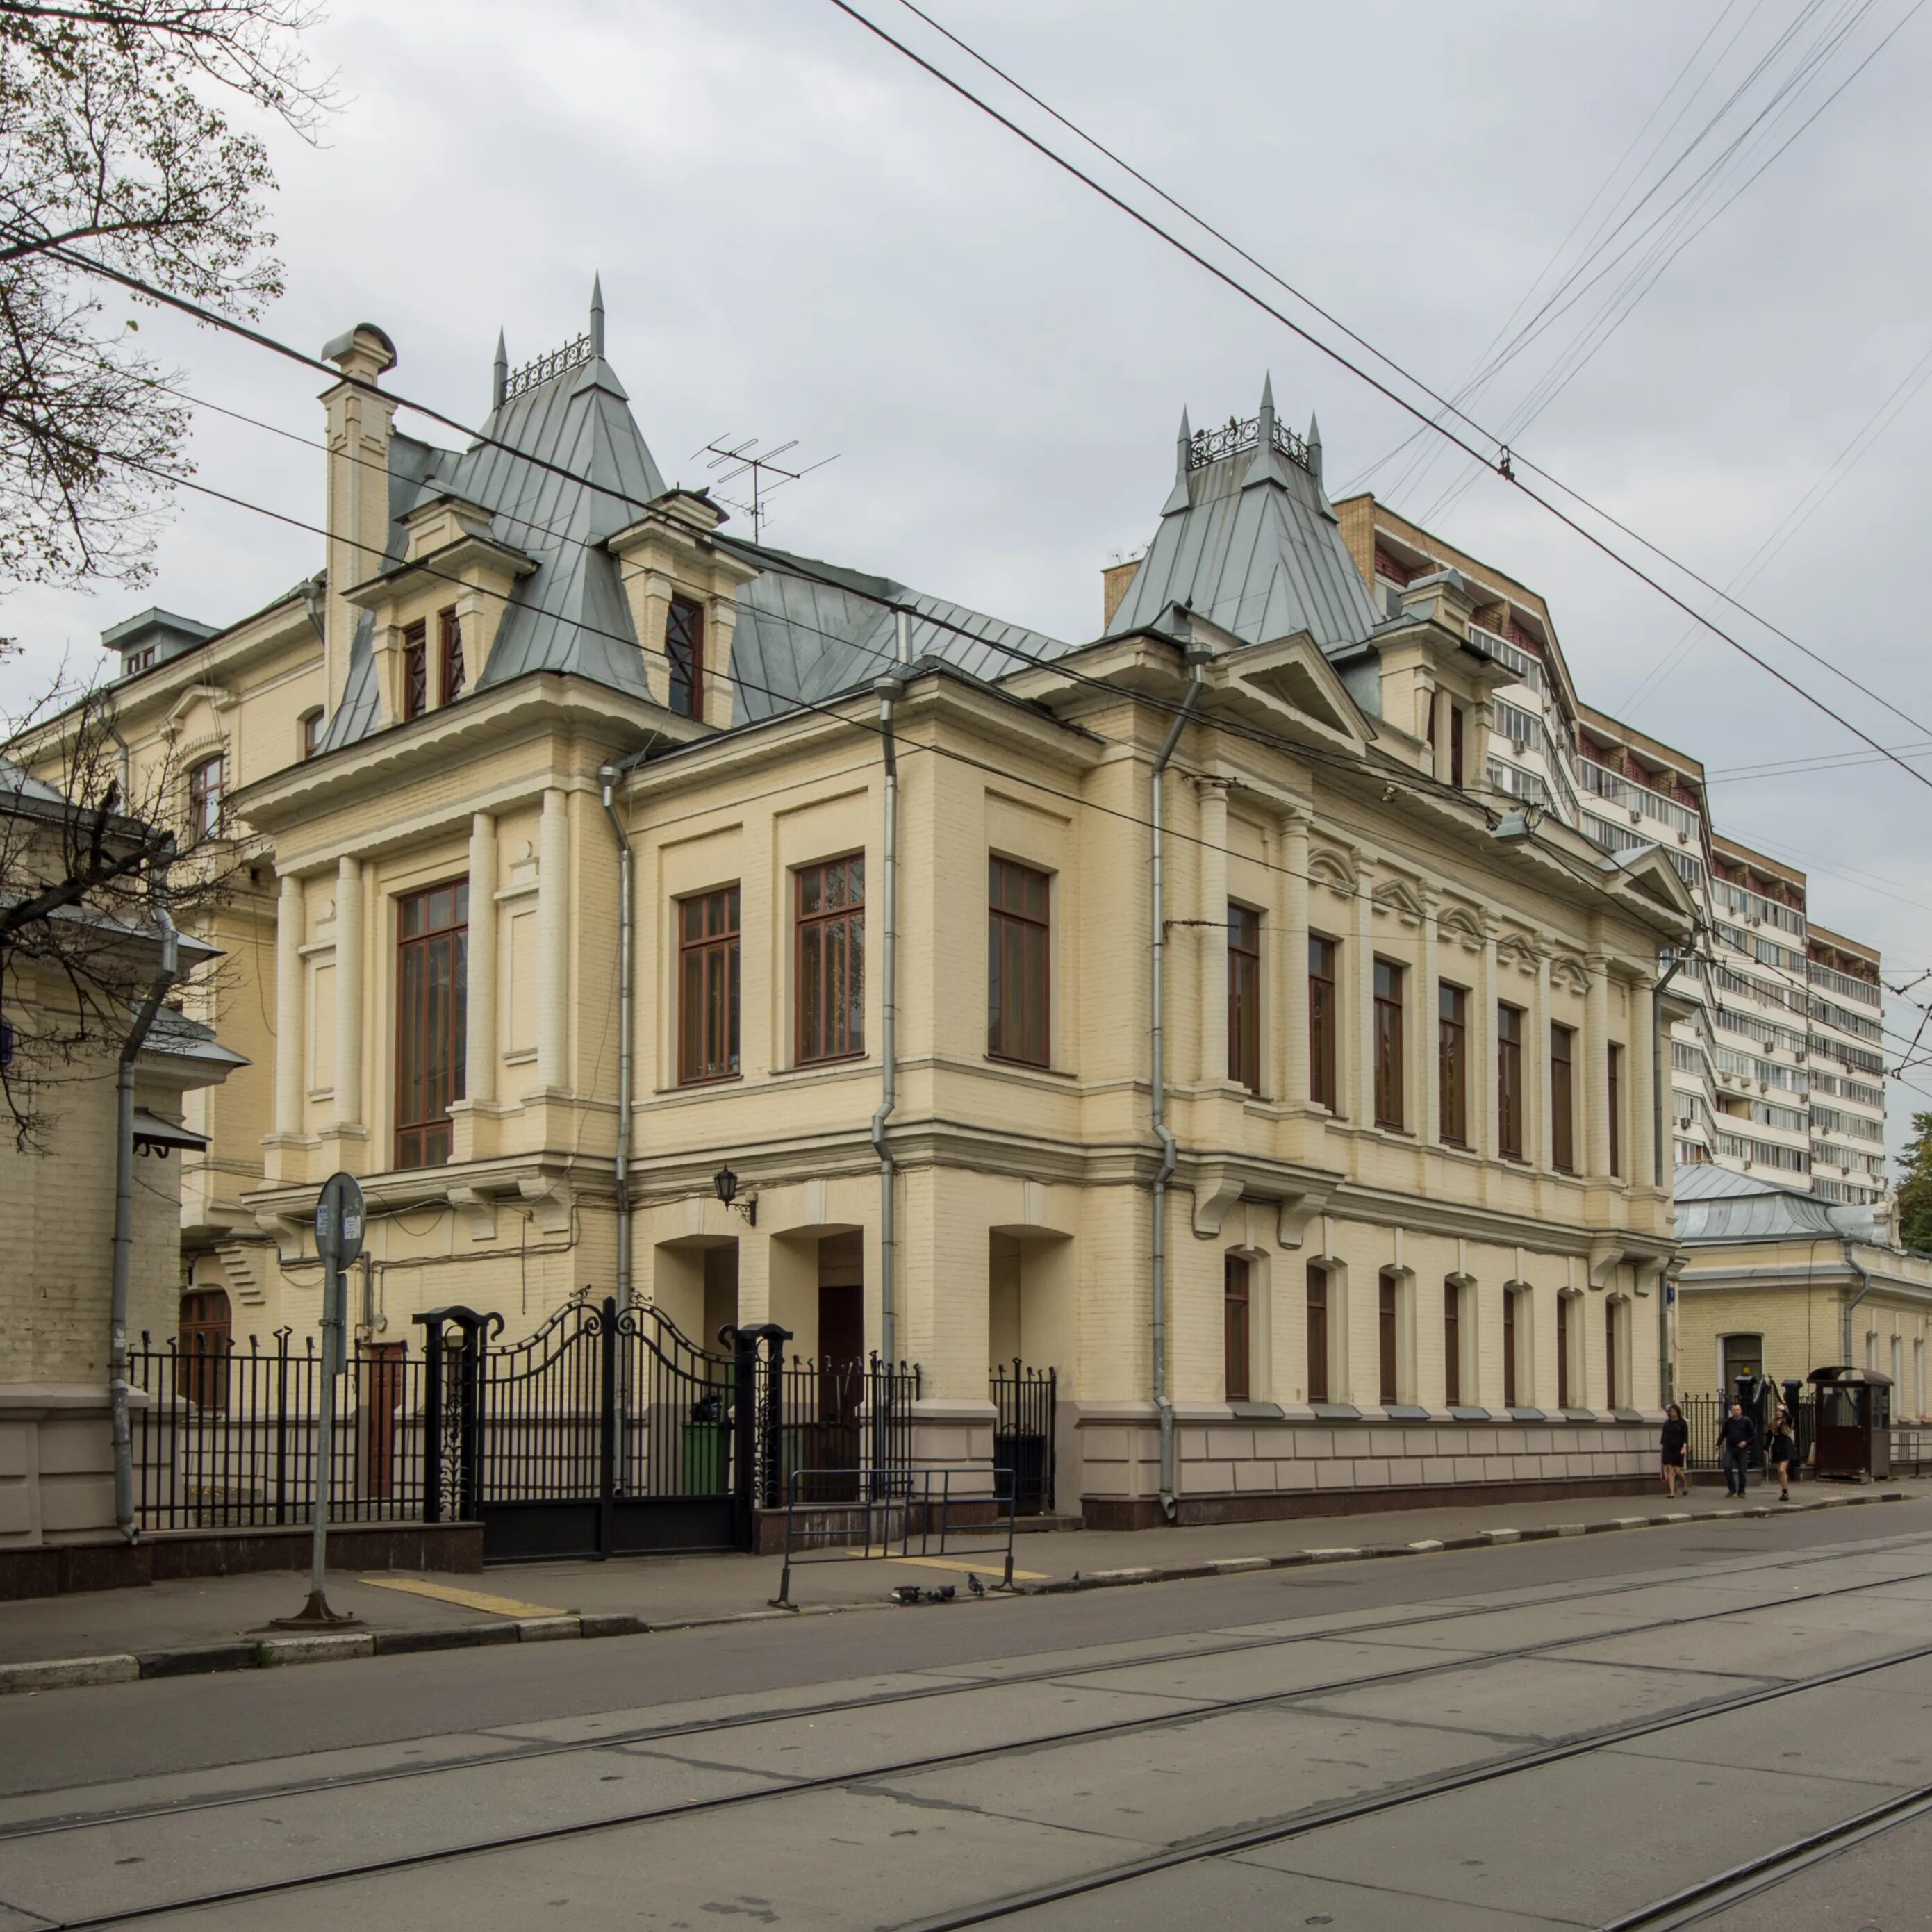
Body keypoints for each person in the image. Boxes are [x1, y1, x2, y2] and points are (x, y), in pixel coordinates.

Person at [1718, 1401, 1757, 1498]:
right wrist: (1718, 1444)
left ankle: (1741, 1491)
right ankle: (1732, 1489)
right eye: (1734, 1410)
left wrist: (1746, 1442)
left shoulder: (1746, 1421)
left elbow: (1753, 1435)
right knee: (1727, 1467)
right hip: (1731, 1448)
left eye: (1738, 1410)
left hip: (1742, 1449)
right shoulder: (1728, 1422)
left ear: (1741, 1410)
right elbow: (1723, 1434)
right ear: (1731, 1411)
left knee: (1742, 1471)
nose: (1736, 1412)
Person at [1768, 1403, 1797, 1502]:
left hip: (1786, 1446)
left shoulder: (1787, 1422)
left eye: (1780, 1411)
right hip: (1777, 1446)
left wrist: (1784, 1410)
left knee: (1782, 1470)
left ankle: (1785, 1492)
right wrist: (1765, 1447)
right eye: (1777, 1411)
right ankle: (1784, 1490)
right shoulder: (1773, 1423)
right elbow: (1769, 1435)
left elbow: (1790, 1418)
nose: (1778, 1412)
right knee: (1780, 1473)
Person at [1660, 1403, 1689, 1498]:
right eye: (1671, 1412)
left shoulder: (1683, 1423)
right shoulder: (1667, 1423)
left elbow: (1685, 1437)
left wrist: (1684, 1449)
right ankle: (1672, 1492)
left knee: (1678, 1470)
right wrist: (1663, 1449)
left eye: (1675, 1412)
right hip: (1668, 1448)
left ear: (1678, 1413)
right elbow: (1663, 1437)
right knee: (1670, 1470)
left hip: (1679, 1449)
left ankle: (1685, 1484)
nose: (1673, 1414)